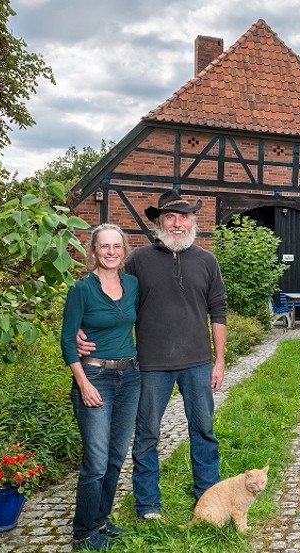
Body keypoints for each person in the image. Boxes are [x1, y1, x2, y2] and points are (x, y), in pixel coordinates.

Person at [77, 189, 227, 521]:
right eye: (170, 217)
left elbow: (218, 312)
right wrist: (78, 325)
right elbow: (104, 288)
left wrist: (219, 361)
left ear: (192, 222)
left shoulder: (207, 261)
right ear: (158, 222)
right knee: (146, 435)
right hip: (150, 365)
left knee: (203, 430)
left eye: (184, 216)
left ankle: (209, 495)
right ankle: (147, 504)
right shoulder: (138, 261)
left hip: (198, 364)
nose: (178, 223)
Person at [61, 224, 140, 551]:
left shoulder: (132, 284)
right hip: (95, 378)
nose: (110, 252)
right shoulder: (82, 289)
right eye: (104, 247)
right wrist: (83, 383)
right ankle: (83, 532)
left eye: (116, 246)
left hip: (130, 377)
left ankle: (101, 520)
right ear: (93, 251)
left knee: (115, 456)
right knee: (95, 460)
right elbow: (68, 339)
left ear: (123, 251)